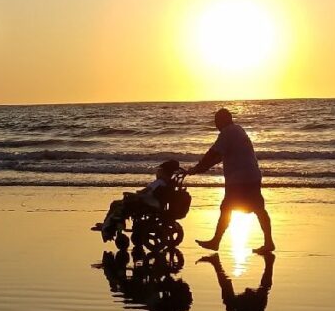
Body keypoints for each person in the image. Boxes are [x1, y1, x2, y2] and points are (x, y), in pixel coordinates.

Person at [187, 108, 274, 252]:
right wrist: (200, 169)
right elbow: (218, 157)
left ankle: (216, 241)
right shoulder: (238, 130)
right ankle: (269, 243)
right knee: (259, 209)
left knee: (226, 207)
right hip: (251, 175)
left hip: (240, 179)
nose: (216, 124)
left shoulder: (227, 133)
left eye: (217, 121)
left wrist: (197, 167)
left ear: (224, 120)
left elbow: (212, 153)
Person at [93, 159, 180, 241]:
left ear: (164, 172)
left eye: (159, 170)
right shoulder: (167, 183)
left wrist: (135, 194)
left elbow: (145, 191)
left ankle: (108, 225)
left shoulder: (158, 182)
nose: (157, 172)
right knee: (120, 204)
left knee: (116, 204)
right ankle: (107, 224)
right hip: (154, 202)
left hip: (147, 203)